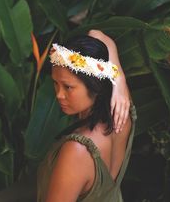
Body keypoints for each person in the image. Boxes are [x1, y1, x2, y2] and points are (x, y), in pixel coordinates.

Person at [37, 31, 137, 202]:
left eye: (68, 87)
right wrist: (119, 80)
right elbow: (96, 34)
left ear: (96, 86)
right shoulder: (122, 110)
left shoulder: (77, 151)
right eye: (55, 83)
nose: (59, 95)